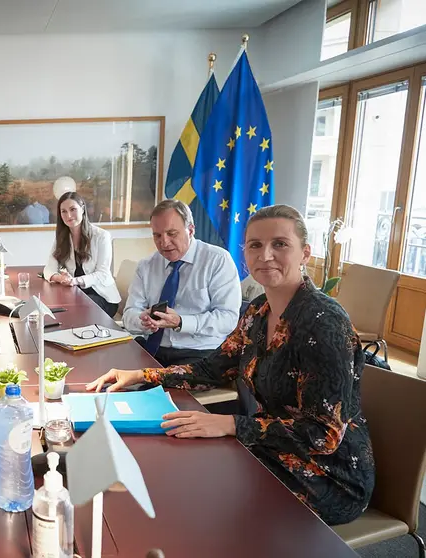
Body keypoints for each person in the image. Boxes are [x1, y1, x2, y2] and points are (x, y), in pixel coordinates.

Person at [87, 204, 374, 526]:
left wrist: (232, 425)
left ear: (305, 253)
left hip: (327, 475)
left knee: (196, 494)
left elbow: (323, 435)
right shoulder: (258, 311)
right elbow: (211, 369)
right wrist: (140, 374)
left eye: (280, 244)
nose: (265, 255)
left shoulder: (324, 322)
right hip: (268, 447)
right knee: (175, 467)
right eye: (255, 245)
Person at [123, 199, 241, 366]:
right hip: (154, 347)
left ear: (191, 230)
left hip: (200, 351)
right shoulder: (146, 266)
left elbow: (228, 319)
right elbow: (129, 314)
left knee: (156, 386)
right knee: (110, 374)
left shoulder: (218, 261)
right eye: (157, 235)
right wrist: (141, 320)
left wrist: (181, 322)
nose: (164, 243)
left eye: (172, 233)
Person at [43, 192, 120, 317]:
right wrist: (60, 278)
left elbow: (103, 273)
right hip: (76, 296)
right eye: (63, 211)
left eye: (73, 209)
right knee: (53, 308)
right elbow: (48, 269)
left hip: (102, 296)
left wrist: (75, 281)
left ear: (83, 209)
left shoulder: (101, 236)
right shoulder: (62, 238)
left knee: (72, 313)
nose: (68, 215)